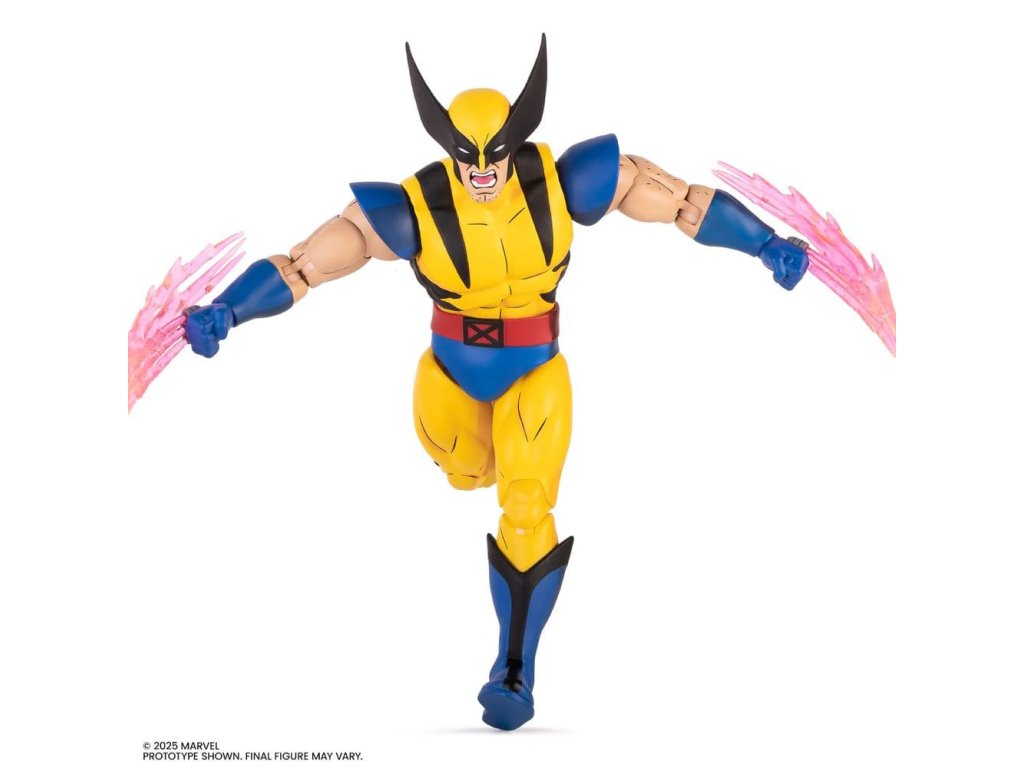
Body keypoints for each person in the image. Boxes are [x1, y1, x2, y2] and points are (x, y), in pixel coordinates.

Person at [183, 35, 808, 730]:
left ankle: (514, 671)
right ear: (448, 147)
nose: (482, 169)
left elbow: (681, 202)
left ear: (516, 141)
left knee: (528, 501)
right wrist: (227, 311)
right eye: (467, 155)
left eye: (495, 153)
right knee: (469, 472)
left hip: (535, 367)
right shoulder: (413, 208)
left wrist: (766, 244)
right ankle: (481, 487)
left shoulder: (564, 183)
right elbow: (306, 265)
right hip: (450, 373)